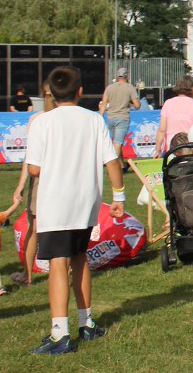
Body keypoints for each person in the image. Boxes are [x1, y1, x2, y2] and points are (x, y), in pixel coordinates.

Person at [25, 66, 126, 355]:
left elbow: (34, 169)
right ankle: (87, 323)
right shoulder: (94, 119)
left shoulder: (42, 122)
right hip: (86, 201)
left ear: (50, 93)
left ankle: (60, 334)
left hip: (55, 203)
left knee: (58, 264)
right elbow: (112, 161)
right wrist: (118, 196)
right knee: (80, 259)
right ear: (80, 91)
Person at [11, 79, 56, 286]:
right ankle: (62, 270)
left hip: (41, 179)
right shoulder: (68, 119)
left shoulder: (38, 120)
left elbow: (31, 158)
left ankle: (28, 275)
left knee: (35, 227)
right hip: (58, 179)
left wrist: (21, 184)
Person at [154, 75, 193, 155]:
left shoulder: (168, 103)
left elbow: (161, 129)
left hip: (173, 148)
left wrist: (158, 150)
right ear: (191, 87)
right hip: (190, 147)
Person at [99, 67, 140, 155]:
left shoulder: (109, 88)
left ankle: (121, 166)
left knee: (116, 142)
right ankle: (112, 164)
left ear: (117, 77)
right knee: (117, 144)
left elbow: (103, 104)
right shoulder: (130, 88)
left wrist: (100, 117)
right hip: (122, 117)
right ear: (127, 77)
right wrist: (129, 101)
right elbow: (137, 106)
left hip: (110, 118)